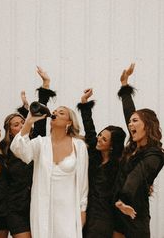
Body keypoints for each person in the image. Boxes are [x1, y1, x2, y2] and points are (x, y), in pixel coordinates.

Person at [10, 104, 88, 238]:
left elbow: (83, 183)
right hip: (43, 209)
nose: (55, 113)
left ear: (69, 122)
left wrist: (82, 210)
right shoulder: (41, 143)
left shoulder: (79, 146)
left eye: (61, 113)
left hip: (69, 211)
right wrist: (29, 122)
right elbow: (19, 150)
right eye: (54, 112)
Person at [0, 66, 56, 238]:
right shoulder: (3, 149)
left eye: (22, 122)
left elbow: (40, 118)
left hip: (36, 204)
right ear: (9, 131)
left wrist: (45, 85)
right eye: (15, 124)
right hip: (15, 207)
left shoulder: (36, 142)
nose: (21, 125)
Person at [113, 63, 164, 238]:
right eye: (130, 122)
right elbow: (129, 111)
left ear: (147, 126)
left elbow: (137, 176)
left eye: (135, 121)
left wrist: (123, 201)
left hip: (135, 213)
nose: (130, 124)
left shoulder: (155, 155)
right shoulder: (134, 146)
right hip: (119, 209)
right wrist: (125, 85)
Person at [77, 89, 126, 238]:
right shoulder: (94, 154)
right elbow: (89, 128)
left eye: (104, 139)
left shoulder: (118, 167)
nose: (99, 139)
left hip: (104, 218)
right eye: (100, 135)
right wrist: (84, 103)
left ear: (112, 146)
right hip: (86, 212)